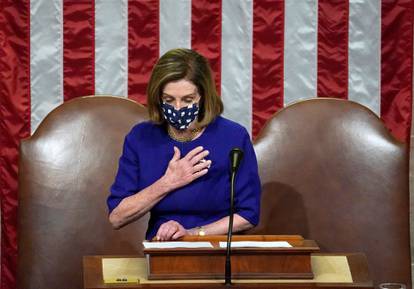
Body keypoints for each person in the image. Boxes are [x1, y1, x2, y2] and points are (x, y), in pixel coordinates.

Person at [107, 48, 261, 241]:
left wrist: (193, 234)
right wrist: (168, 182)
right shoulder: (141, 138)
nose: (178, 108)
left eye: (188, 99)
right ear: (157, 97)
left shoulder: (233, 137)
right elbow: (117, 217)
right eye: (169, 100)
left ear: (204, 96)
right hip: (161, 252)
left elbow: (248, 214)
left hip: (218, 249)